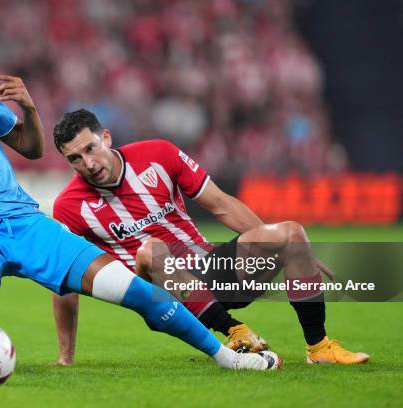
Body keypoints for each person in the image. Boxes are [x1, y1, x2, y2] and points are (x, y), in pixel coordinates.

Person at [0, 39, 276, 372]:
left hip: (25, 222)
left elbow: (30, 149)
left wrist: (27, 107)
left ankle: (229, 358)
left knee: (131, 289)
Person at [51, 109, 369, 365]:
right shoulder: (69, 206)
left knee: (291, 232)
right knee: (151, 250)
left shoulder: (158, 154)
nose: (88, 164)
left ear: (106, 137)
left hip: (211, 269)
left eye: (90, 149)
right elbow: (64, 279)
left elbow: (221, 205)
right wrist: (66, 356)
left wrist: (283, 246)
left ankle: (319, 348)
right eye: (75, 159)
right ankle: (235, 331)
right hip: (162, 296)